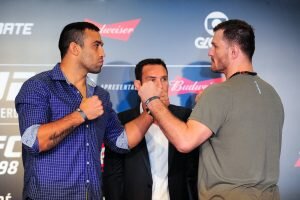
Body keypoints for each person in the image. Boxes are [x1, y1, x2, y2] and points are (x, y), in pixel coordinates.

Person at [137, 20, 284, 200]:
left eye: (215, 45)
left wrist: (152, 100)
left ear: (233, 51)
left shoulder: (220, 92)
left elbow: (185, 142)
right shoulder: (271, 94)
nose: (210, 51)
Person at [15, 22, 153, 200]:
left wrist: (152, 108)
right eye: (97, 45)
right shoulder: (39, 86)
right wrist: (81, 115)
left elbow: (121, 141)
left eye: (102, 46)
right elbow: (33, 141)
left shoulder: (100, 94)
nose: (103, 53)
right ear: (74, 48)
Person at [103, 58, 199, 200]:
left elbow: (193, 172)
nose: (160, 86)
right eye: (152, 80)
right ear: (138, 85)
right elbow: (113, 176)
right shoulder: (121, 120)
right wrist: (153, 109)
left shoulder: (185, 116)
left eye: (164, 79)